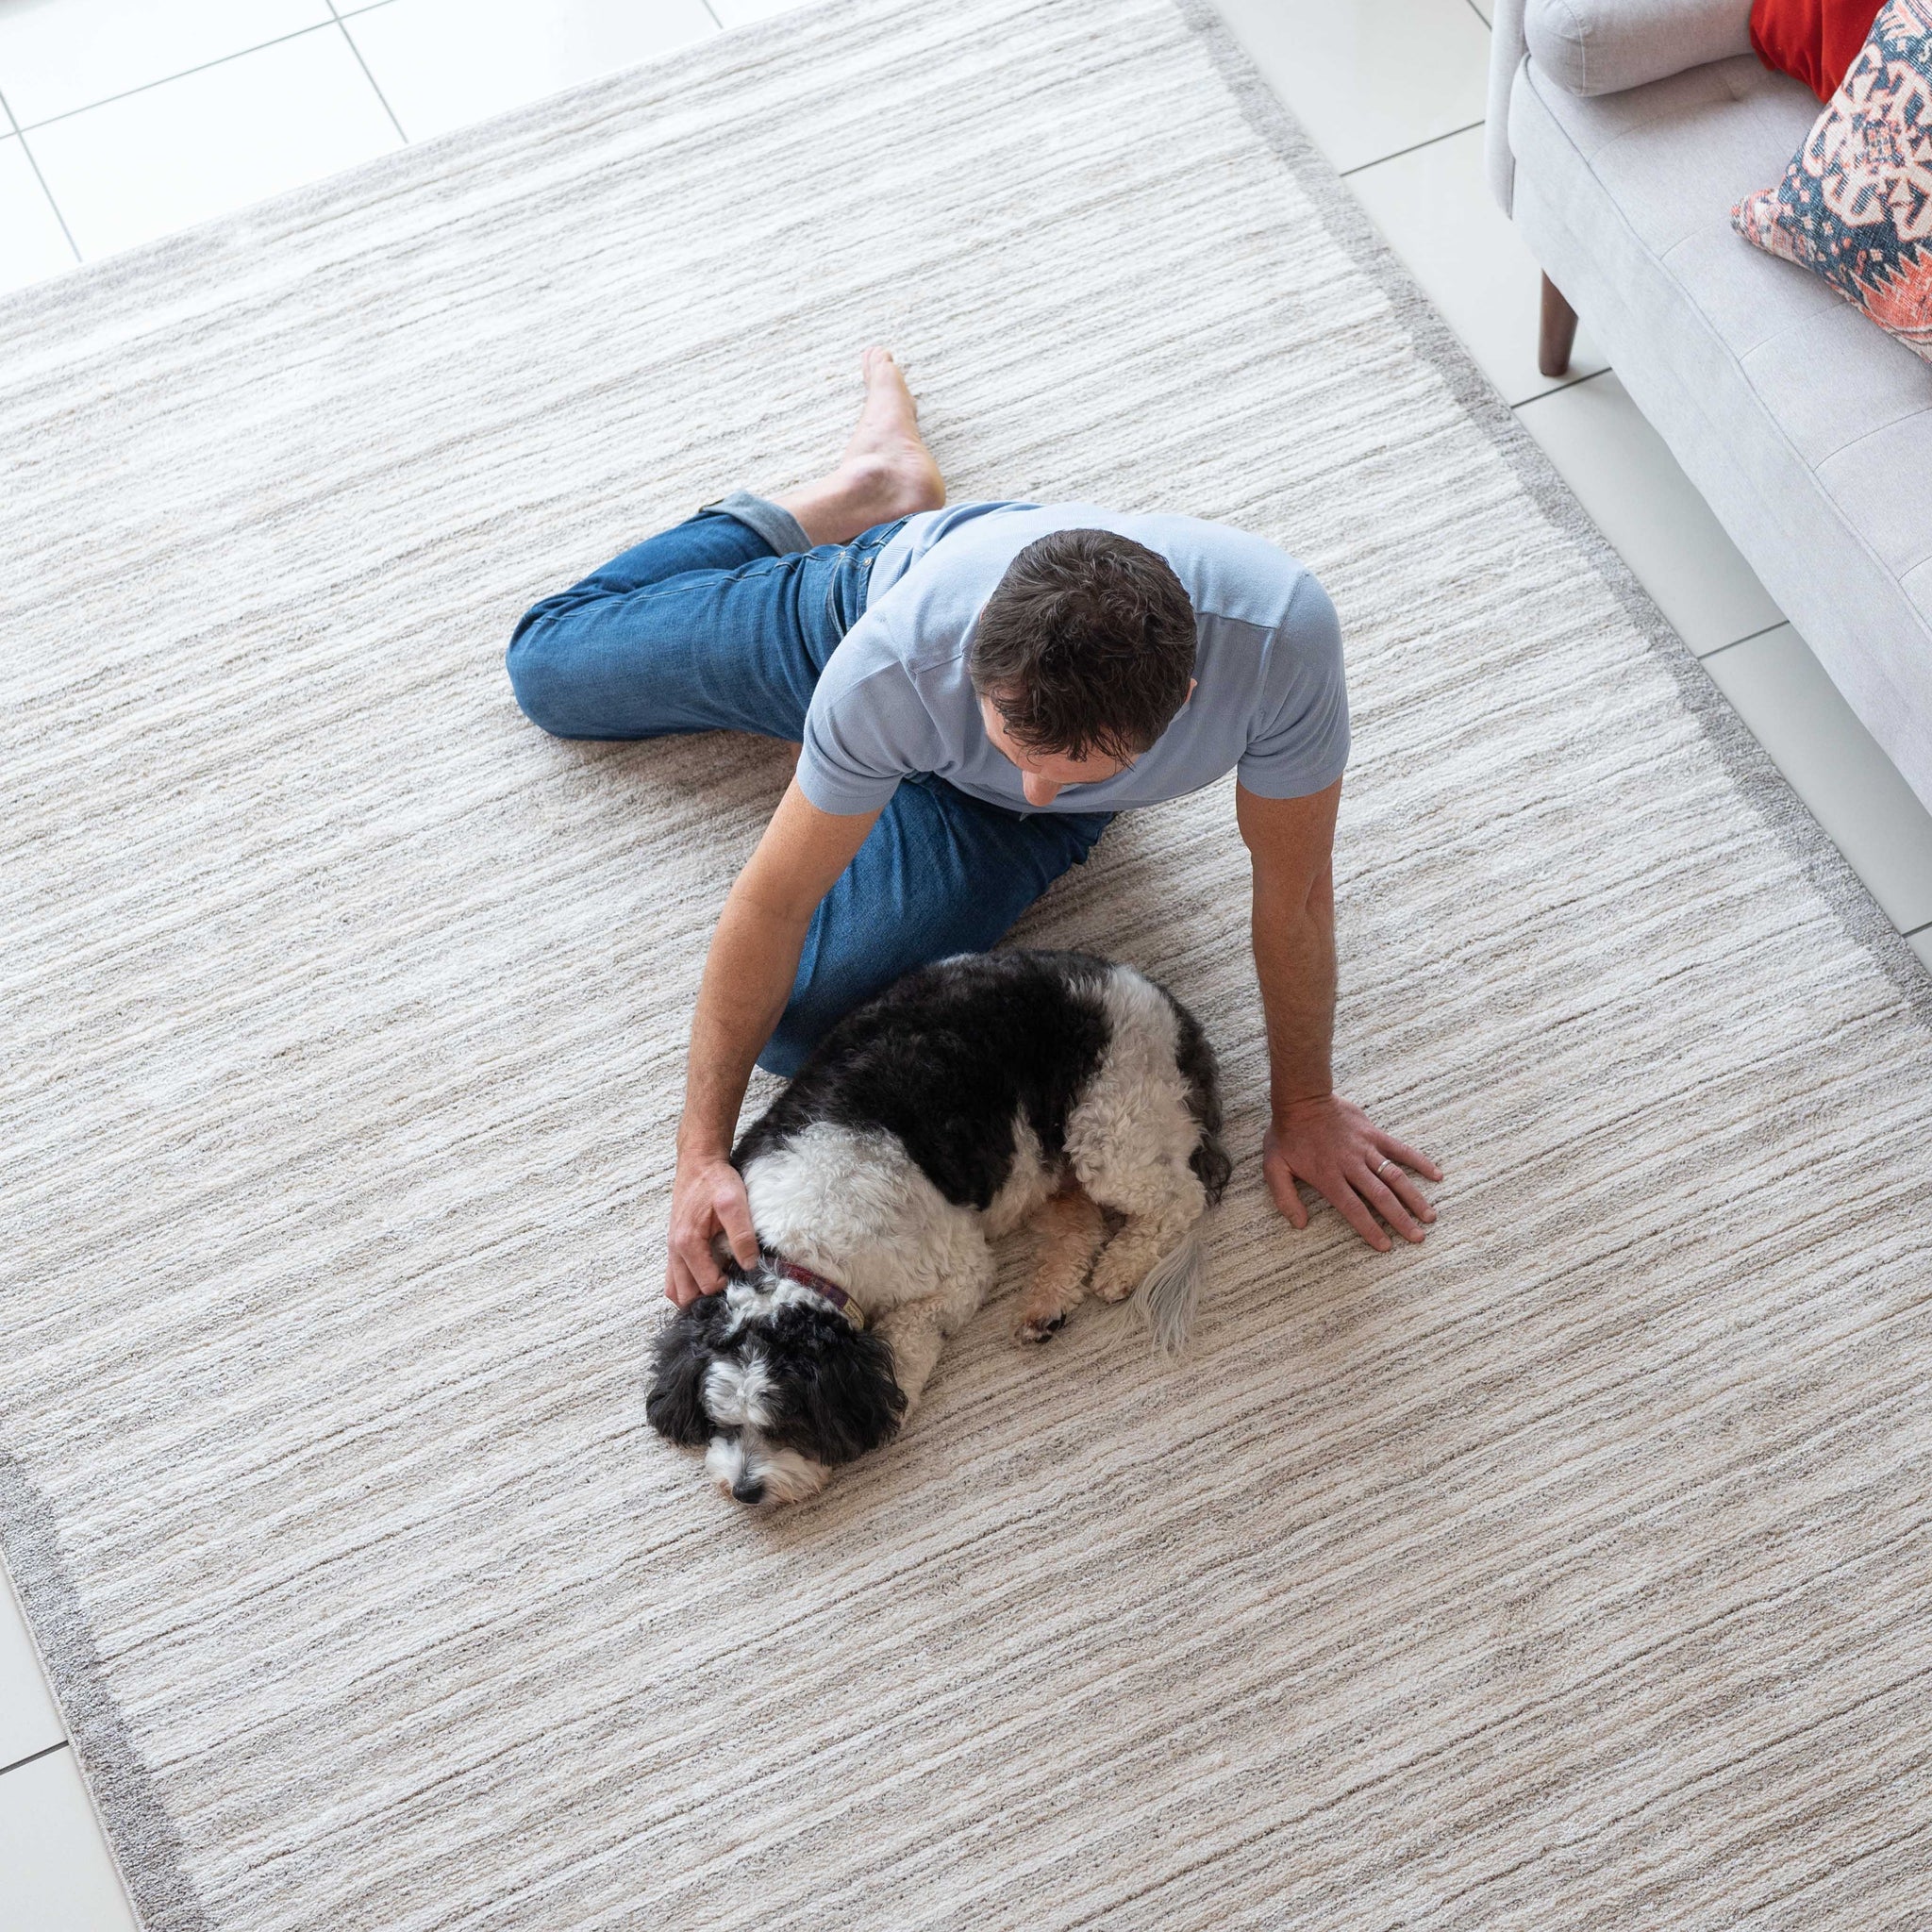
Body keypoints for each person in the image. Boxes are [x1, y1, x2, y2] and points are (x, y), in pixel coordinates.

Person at [507, 349, 1441, 1309]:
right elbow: (772, 899)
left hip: (968, 786)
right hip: (859, 602)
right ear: (974, 664)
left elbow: (1296, 896)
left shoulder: (1281, 644)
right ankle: (867, 490)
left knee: (803, 1023)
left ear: (1185, 701)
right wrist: (698, 1155)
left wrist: (1304, 1103)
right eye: (1017, 750)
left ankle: (892, 769)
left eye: (1076, 774)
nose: (1037, 790)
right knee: (547, 666)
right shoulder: (893, 667)